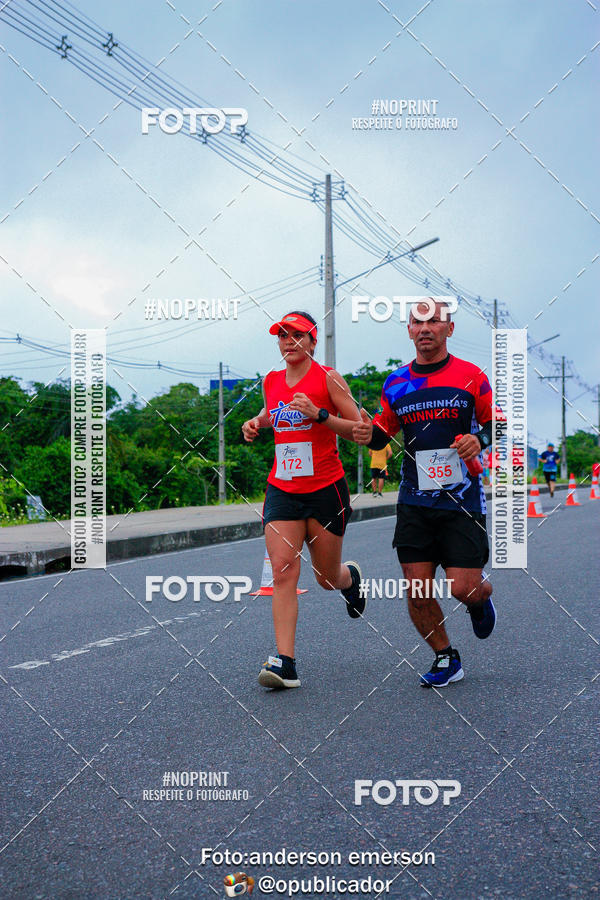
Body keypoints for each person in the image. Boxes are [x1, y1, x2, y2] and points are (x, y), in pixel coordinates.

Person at [351, 299, 500, 688]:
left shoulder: (471, 376)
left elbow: (498, 425)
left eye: (435, 320)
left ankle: (480, 600)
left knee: (462, 587)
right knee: (416, 588)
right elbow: (383, 434)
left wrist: (478, 438)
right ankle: (445, 656)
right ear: (409, 331)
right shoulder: (396, 382)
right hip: (414, 500)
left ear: (449, 329)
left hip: (462, 499)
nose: (426, 328)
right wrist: (370, 433)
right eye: (418, 322)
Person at [241, 311, 365, 690]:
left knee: (326, 578)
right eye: (282, 336)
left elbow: (360, 427)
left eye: (297, 335)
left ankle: (349, 579)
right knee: (282, 572)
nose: (288, 341)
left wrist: (320, 414)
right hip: (283, 489)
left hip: (326, 489)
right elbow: (272, 411)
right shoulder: (272, 380)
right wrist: (256, 423)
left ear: (312, 341)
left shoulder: (328, 378)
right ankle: (285, 664)